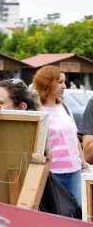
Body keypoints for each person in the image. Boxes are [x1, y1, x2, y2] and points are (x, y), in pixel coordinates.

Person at [33, 66, 84, 202]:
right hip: (52, 174)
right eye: (60, 82)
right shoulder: (37, 111)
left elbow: (74, 138)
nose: (64, 86)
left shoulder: (64, 108)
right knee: (57, 214)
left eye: (64, 82)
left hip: (74, 172)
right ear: (47, 83)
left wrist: (83, 163)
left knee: (78, 211)